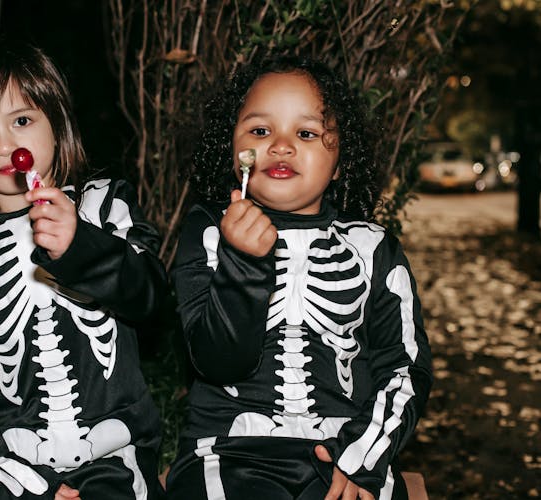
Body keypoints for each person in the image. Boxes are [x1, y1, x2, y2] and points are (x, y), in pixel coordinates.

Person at [166, 54, 433, 500]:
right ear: (234, 152)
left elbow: (403, 366)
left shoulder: (372, 247)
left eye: (305, 133)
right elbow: (216, 361)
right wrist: (243, 262)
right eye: (260, 130)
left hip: (347, 450)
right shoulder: (209, 232)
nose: (281, 145)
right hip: (229, 451)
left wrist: (362, 457)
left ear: (340, 159)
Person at [0, 39, 167, 500]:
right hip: (6, 467)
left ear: (57, 125)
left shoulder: (103, 206)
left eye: (21, 120)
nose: (4, 144)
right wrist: (29, 486)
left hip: (114, 454)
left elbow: (150, 295)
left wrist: (83, 249)